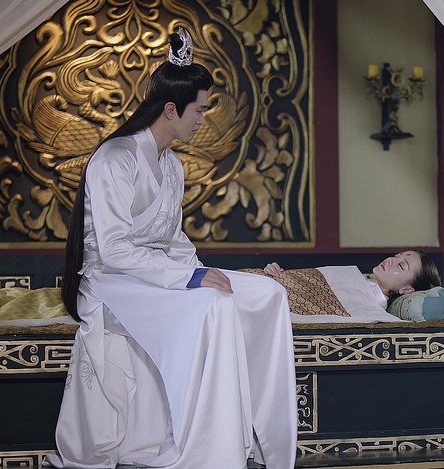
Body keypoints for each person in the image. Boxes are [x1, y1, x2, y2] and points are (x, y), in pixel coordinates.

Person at [46, 28, 297, 469]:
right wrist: (190, 279)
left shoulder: (173, 164)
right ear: (170, 109)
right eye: (199, 109)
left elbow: (173, 239)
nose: (203, 119)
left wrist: (199, 270)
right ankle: (208, 450)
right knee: (215, 305)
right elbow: (114, 250)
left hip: (156, 274)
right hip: (111, 280)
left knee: (269, 295)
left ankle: (265, 445)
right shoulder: (115, 158)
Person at [263, 250, 441, 309]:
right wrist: (284, 276)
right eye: (397, 256)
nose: (391, 260)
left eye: (401, 266)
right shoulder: (365, 285)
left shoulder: (371, 303)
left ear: (406, 290)